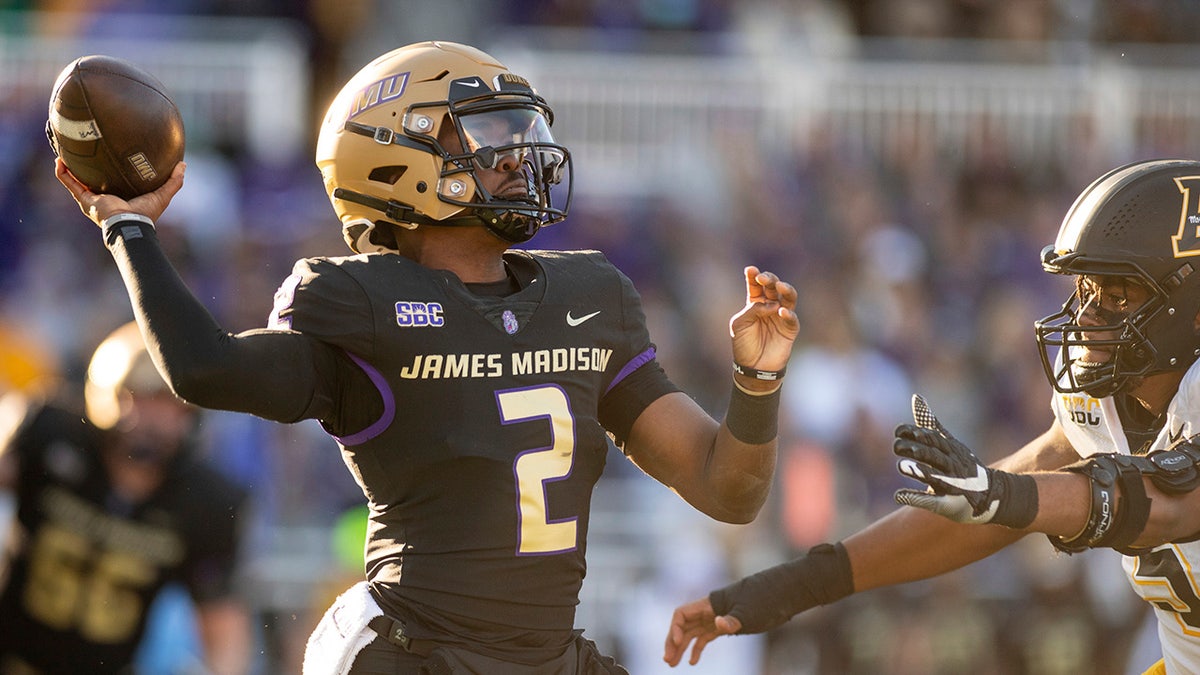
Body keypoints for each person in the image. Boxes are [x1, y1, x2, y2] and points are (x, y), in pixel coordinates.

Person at [51, 41, 800, 674]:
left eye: (519, 129)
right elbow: (205, 367)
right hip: (410, 652)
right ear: (393, 155)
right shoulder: (361, 302)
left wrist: (756, 378)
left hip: (545, 656)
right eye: (484, 133)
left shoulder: (591, 294)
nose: (518, 155)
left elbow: (727, 488)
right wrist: (128, 229)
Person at [663, 157, 1200, 675]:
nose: (1087, 315)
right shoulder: (1104, 399)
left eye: (1120, 293)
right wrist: (796, 586)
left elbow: (1169, 503)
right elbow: (998, 505)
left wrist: (1002, 496)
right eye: (1087, 288)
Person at [0, 321, 251, 675]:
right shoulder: (50, 434)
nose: (154, 419)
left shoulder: (205, 501)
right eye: (140, 397)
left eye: (170, 404)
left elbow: (222, 624)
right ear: (110, 393)